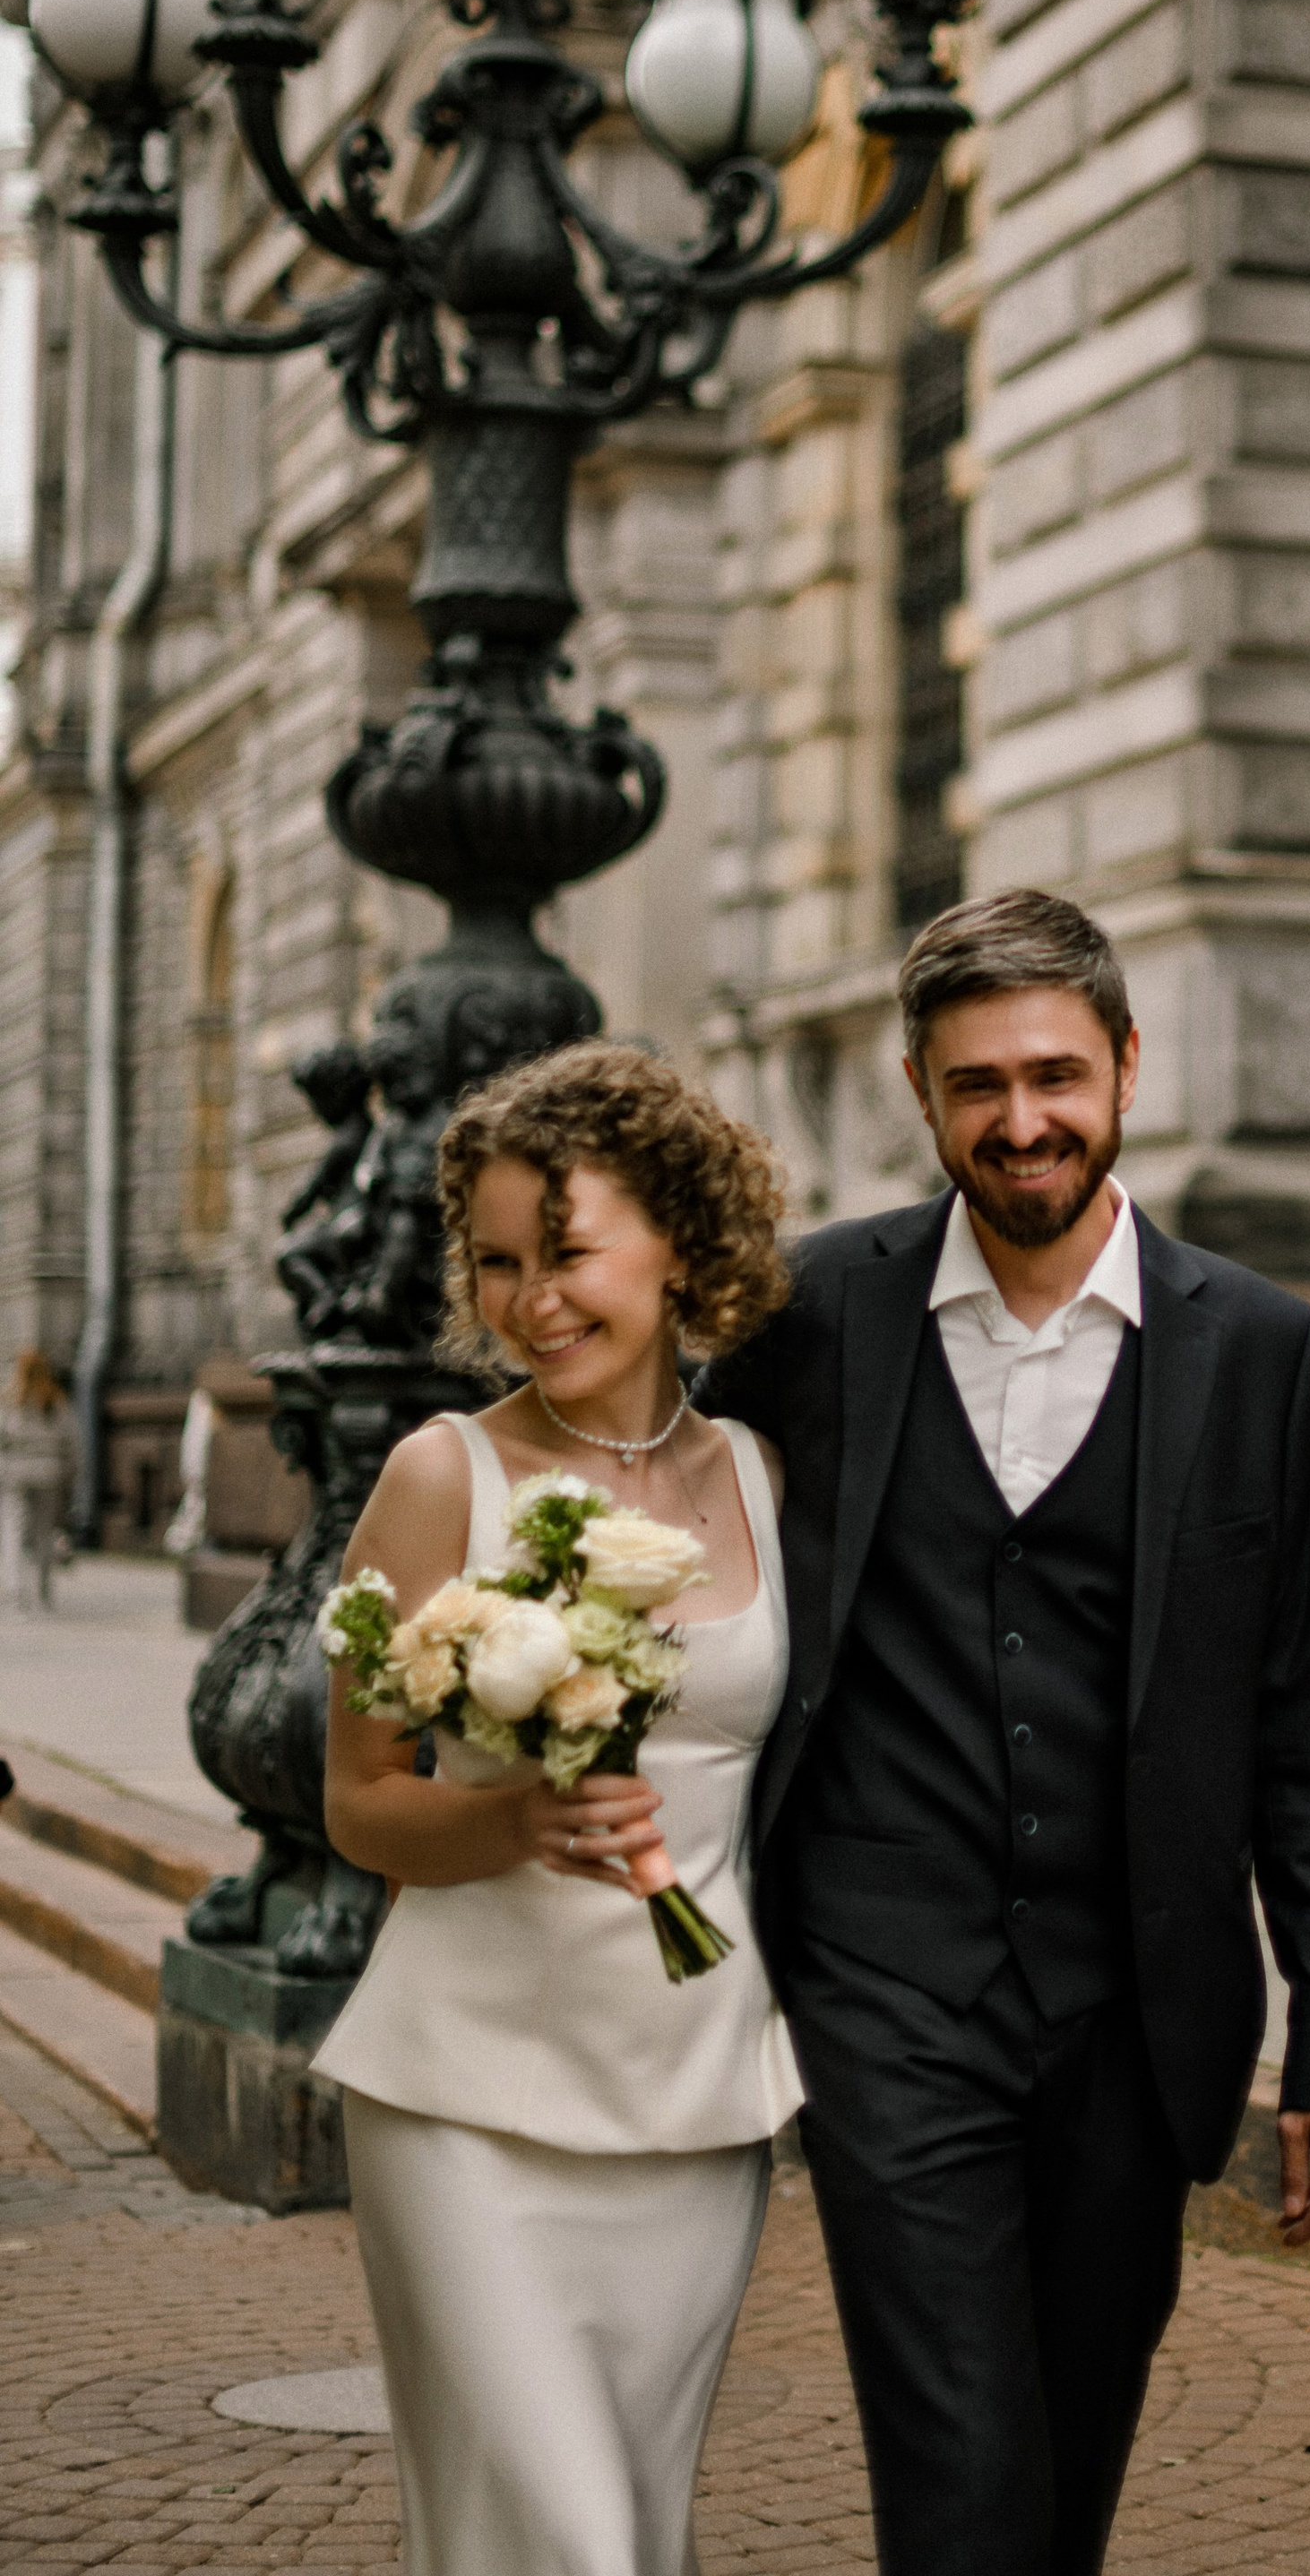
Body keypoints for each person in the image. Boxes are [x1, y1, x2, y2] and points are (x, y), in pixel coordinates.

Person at [702, 886, 1310, 2576]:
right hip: (885, 1983)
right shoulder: (808, 1317)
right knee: (962, 2464)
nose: (1025, 1123)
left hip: (1135, 2003)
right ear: (921, 1096)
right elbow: (651, 1517)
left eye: (1057, 1076)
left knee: (1069, 2459)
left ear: (1130, 1068)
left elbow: (1307, 1715)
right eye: (980, 1086)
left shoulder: (1262, 1350)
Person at [314, 1040, 800, 2576]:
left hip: (694, 2101)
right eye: (500, 1263)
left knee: (632, 2537)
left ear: (678, 1241)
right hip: (464, 2098)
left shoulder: (766, 1480)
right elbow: (356, 1802)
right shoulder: (440, 1477)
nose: (535, 1302)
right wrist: (515, 1824)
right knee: (569, 2543)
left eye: (569, 1251)